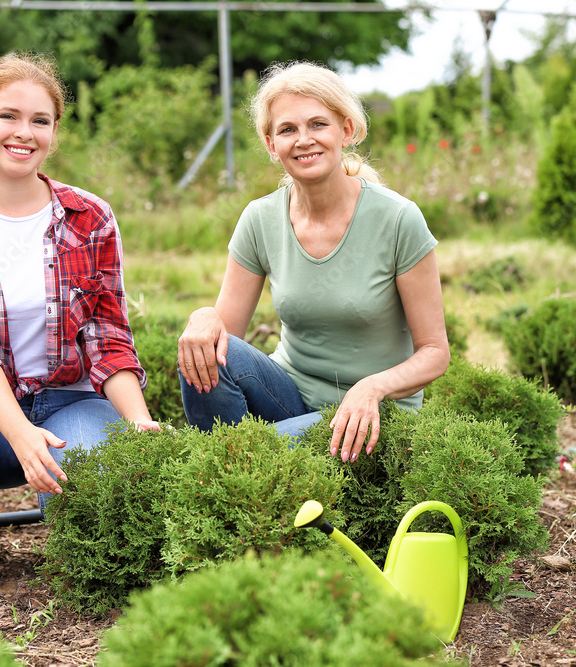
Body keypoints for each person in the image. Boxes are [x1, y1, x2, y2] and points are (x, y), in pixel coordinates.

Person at [0, 53, 159, 593]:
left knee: (92, 498)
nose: (24, 132)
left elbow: (106, 335)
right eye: (8, 116)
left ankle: (78, 554)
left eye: (39, 121)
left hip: (72, 402)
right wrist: (21, 435)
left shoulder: (89, 215)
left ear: (53, 132)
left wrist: (138, 422)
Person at [177, 61, 449, 463]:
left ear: (347, 130)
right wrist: (203, 317)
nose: (304, 140)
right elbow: (224, 340)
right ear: (271, 144)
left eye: (318, 124)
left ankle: (226, 473)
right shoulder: (260, 218)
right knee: (200, 352)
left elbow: (435, 352)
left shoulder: (397, 218)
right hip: (287, 396)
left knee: (253, 455)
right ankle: (233, 472)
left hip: (373, 414)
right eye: (287, 129)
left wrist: (372, 387)